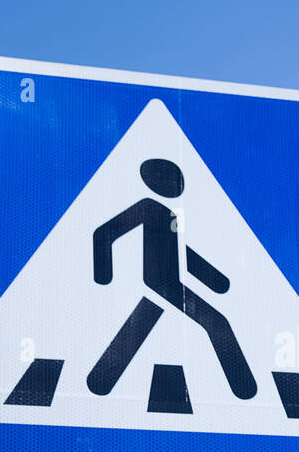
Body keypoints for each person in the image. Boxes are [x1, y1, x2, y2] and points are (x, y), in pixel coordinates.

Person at [86, 158, 258, 400]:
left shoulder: (172, 215)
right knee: (216, 323)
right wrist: (103, 274)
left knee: (140, 326)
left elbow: (182, 254)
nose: (178, 186)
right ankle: (244, 389)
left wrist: (216, 281)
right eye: (172, 180)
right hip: (158, 283)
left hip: (169, 283)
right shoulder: (148, 207)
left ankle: (99, 382)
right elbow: (104, 233)